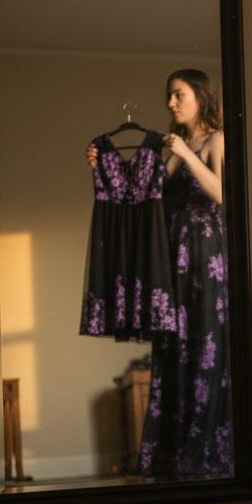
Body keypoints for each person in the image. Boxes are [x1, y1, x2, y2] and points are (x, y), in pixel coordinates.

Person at [89, 69, 234, 479]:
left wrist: (188, 155)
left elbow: (223, 194)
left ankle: (204, 452)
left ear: (199, 96)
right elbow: (140, 193)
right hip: (170, 260)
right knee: (173, 350)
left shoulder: (215, 141)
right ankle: (173, 454)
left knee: (205, 349)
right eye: (168, 96)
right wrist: (102, 165)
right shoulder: (171, 147)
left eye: (177, 94)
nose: (170, 103)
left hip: (206, 258)